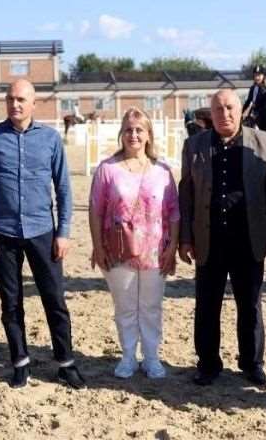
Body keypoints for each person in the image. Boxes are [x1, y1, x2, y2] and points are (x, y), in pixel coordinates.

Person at [0, 79, 85, 390]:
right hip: (1, 233)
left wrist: (63, 232)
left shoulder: (50, 139)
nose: (15, 104)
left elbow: (63, 188)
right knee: (11, 302)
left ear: (34, 103)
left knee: (54, 299)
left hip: (42, 231)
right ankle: (20, 362)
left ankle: (66, 363)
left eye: (21, 99)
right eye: (10, 99)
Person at [178, 88, 266, 387]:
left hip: (249, 238)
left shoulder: (264, 142)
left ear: (240, 111)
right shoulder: (194, 145)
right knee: (207, 305)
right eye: (218, 109)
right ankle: (208, 363)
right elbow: (185, 194)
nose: (224, 114)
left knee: (250, 305)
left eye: (229, 108)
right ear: (210, 113)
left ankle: (252, 363)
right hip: (208, 238)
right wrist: (185, 238)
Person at [89, 108, 179, 379]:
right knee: (125, 307)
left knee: (151, 307)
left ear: (149, 134)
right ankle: (128, 356)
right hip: (118, 250)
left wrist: (172, 247)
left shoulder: (163, 171)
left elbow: (174, 212)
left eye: (139, 130)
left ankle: (151, 357)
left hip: (155, 251)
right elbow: (95, 210)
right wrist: (98, 247)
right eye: (128, 129)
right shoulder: (107, 169)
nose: (134, 135)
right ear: (121, 134)